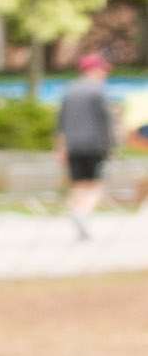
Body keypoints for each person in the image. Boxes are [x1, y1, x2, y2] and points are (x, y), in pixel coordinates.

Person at [57, 50, 121, 237]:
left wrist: (61, 146)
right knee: (97, 184)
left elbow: (61, 121)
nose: (105, 74)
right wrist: (113, 145)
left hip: (72, 144)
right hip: (95, 144)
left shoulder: (69, 90)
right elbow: (106, 120)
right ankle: (82, 214)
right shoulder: (99, 90)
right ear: (94, 70)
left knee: (79, 183)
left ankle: (77, 212)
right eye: (103, 69)